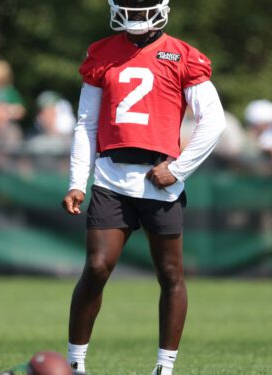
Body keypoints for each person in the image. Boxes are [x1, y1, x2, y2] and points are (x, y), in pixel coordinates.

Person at [61, 1, 226, 374]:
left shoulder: (183, 54)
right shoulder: (101, 52)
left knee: (170, 275)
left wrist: (180, 169)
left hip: (159, 180)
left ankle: (164, 368)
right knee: (98, 266)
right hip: (111, 176)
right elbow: (86, 124)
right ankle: (75, 363)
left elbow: (213, 122)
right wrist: (76, 181)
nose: (136, 12)